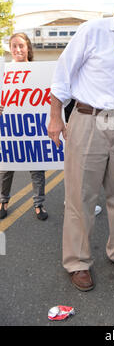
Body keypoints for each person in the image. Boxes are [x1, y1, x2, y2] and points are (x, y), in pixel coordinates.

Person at [47, 0, 114, 291]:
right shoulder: (92, 31)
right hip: (88, 120)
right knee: (81, 196)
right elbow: (63, 73)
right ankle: (77, 261)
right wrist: (55, 116)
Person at [0, 33, 48, 221]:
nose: (18, 50)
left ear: (28, 47)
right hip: (9, 127)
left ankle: (39, 204)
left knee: (37, 168)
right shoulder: (4, 72)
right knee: (5, 168)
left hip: (33, 126)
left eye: (21, 45)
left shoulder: (40, 71)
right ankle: (3, 201)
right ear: (10, 49)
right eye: (14, 46)